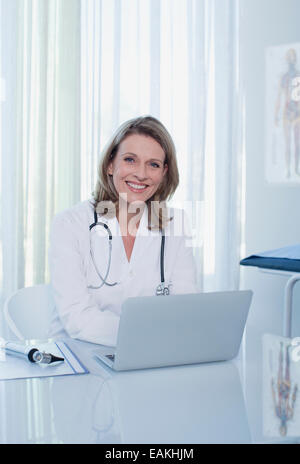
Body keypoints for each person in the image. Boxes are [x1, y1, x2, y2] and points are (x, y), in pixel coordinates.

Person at [49, 115, 198, 346]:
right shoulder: (70, 225)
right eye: (130, 160)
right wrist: (148, 336)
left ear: (164, 172)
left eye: (153, 164)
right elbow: (77, 317)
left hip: (149, 359)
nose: (141, 174)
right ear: (110, 164)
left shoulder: (175, 225)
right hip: (80, 360)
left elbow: (186, 307)